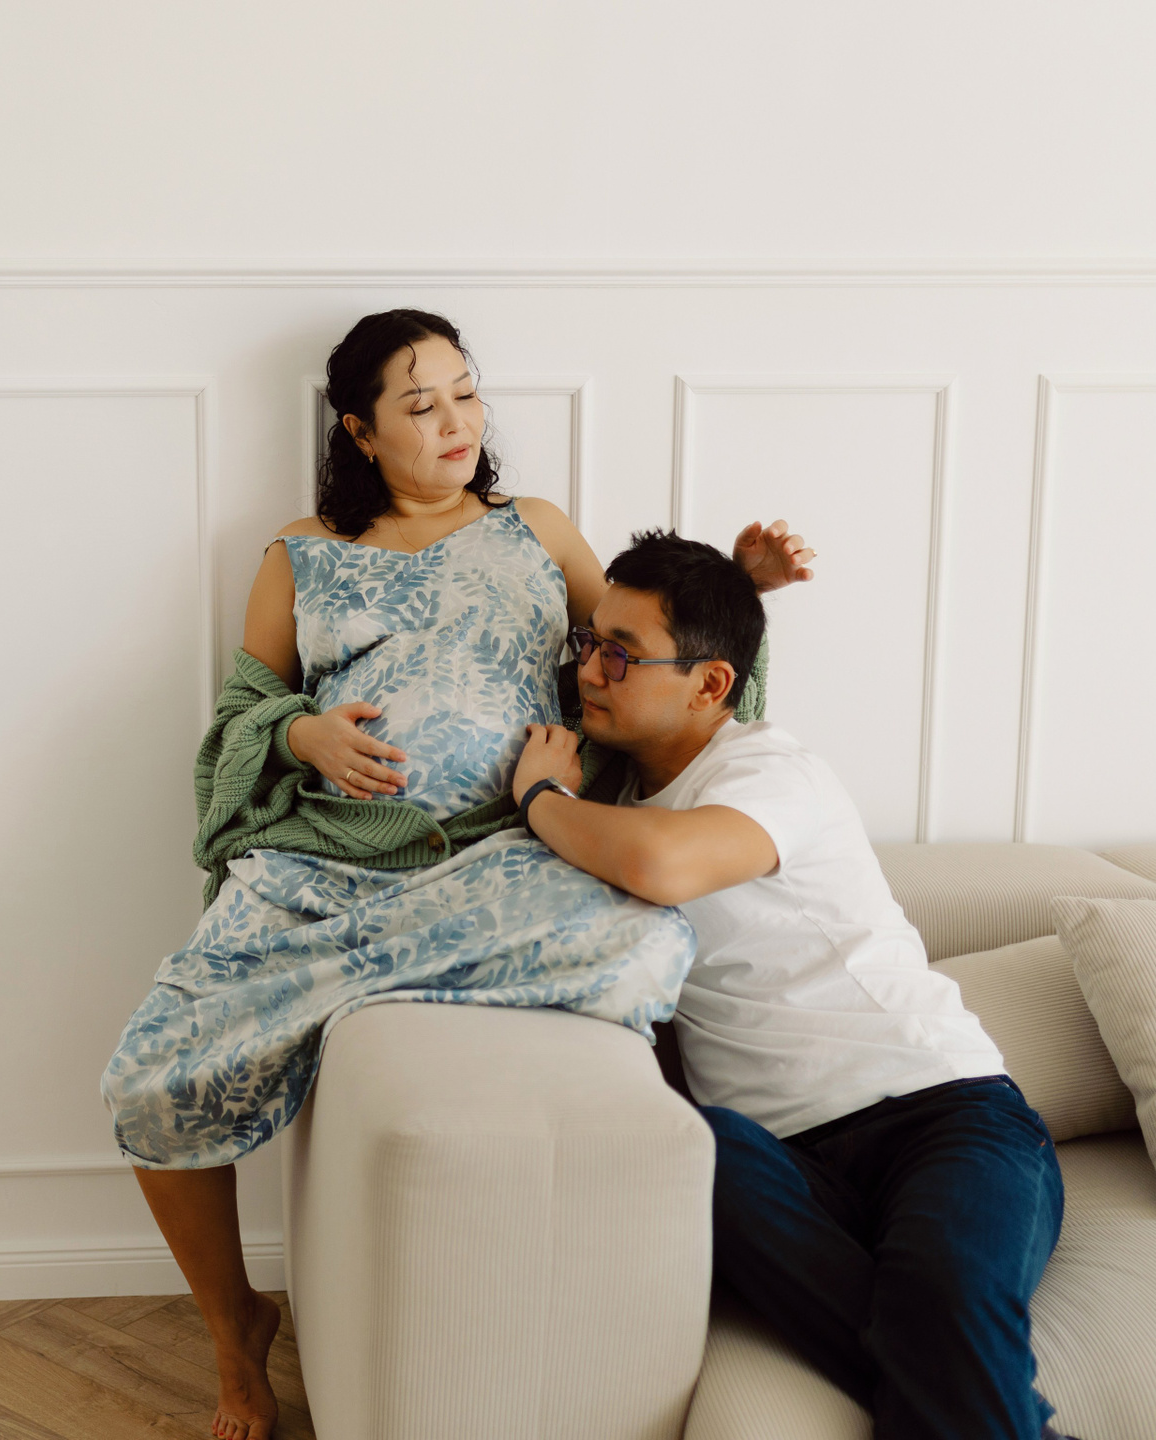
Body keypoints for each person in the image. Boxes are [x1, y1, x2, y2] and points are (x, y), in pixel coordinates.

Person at [99, 309, 817, 1440]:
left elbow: (646, 663)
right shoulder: (298, 553)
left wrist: (742, 591)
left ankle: (357, 987)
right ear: (360, 430)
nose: (455, 421)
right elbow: (239, 720)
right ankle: (236, 1330)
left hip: (501, 861)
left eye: (467, 393)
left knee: (645, 939)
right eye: (420, 403)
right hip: (327, 873)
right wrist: (302, 733)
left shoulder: (535, 529)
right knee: (145, 1080)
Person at [509, 530, 1069, 1440]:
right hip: (783, 1162)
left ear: (711, 686)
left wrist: (541, 799)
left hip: (944, 1116)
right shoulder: (613, 808)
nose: (589, 670)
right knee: (693, 1147)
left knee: (942, 1295)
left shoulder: (767, 770)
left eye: (621, 654)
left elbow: (664, 865)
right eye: (589, 642)